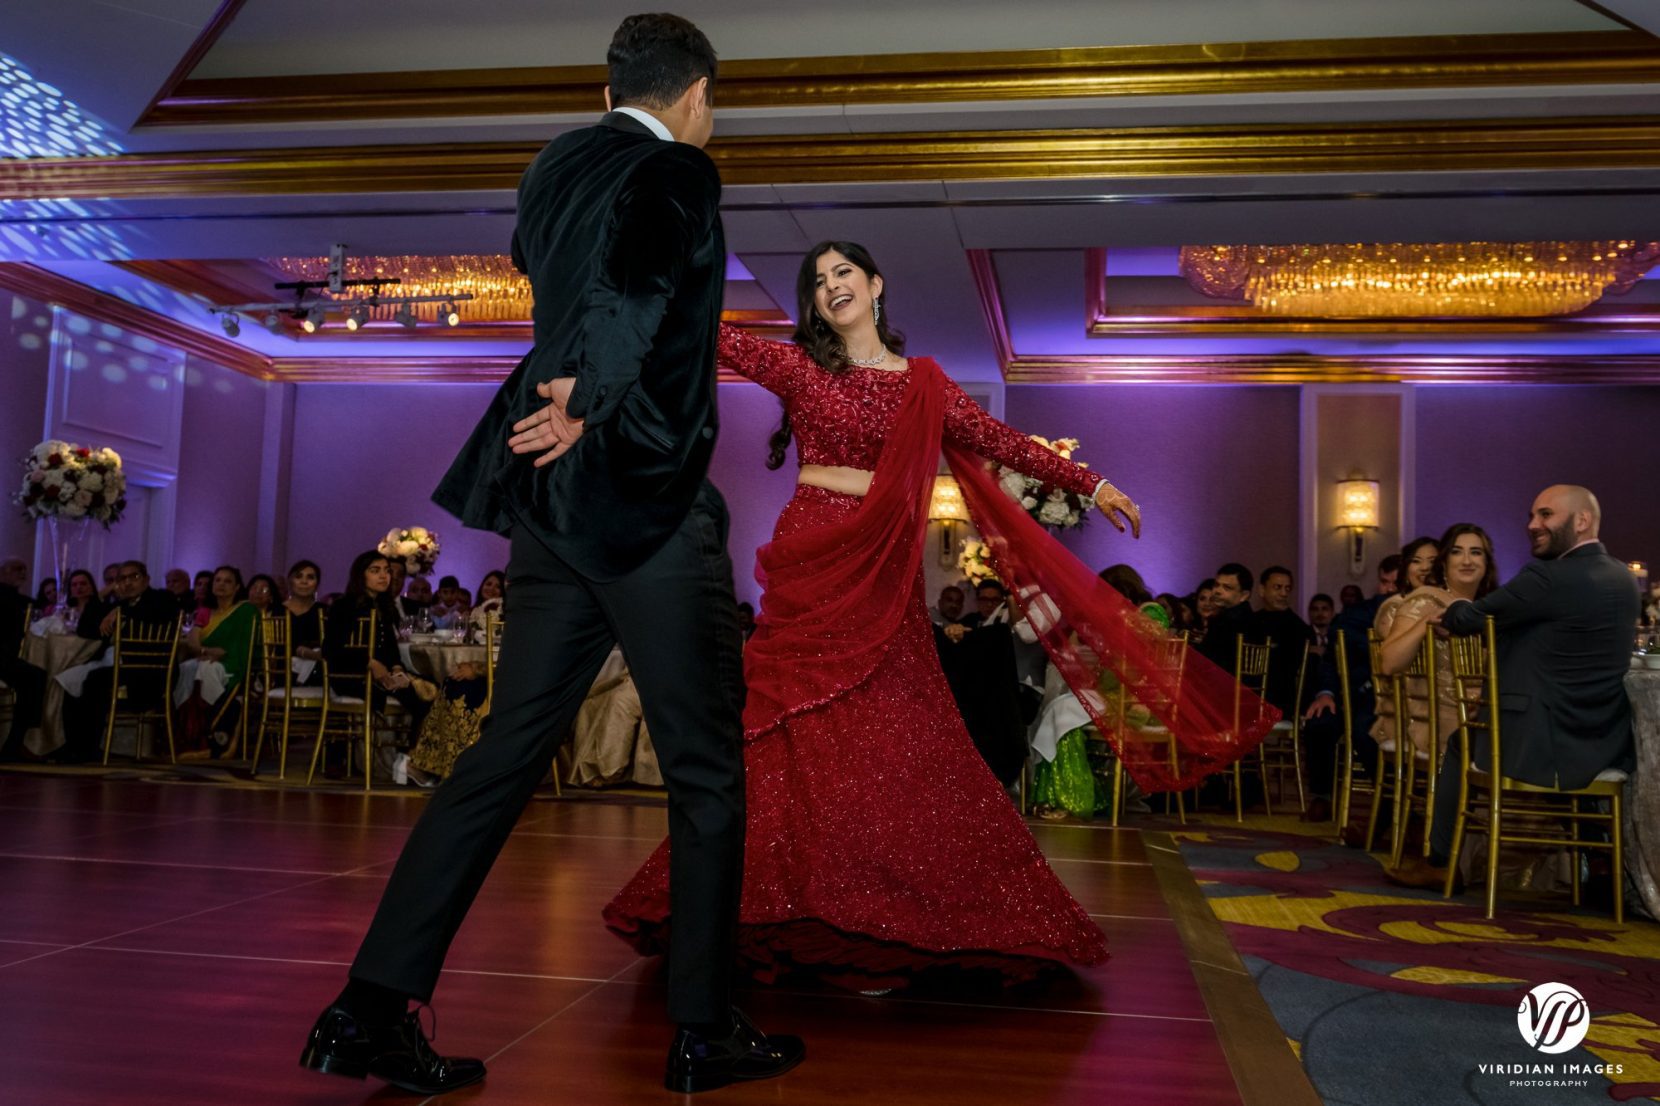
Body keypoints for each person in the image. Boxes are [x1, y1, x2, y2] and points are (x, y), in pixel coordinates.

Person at [303, 15, 801, 1098]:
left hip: (549, 505)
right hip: (642, 503)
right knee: (707, 770)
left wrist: (576, 374)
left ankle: (368, 1008)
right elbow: (634, 287)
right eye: (710, 105)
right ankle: (703, 1027)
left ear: (604, 84)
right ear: (698, 94)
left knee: (500, 755)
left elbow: (549, 265)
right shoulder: (677, 167)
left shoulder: (553, 165)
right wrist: (597, 390)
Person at [605, 238, 1268, 996]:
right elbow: (706, 331)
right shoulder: (797, 367)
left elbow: (1000, 441)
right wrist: (647, 272)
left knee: (892, 729)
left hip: (881, 565)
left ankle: (883, 908)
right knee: (789, 732)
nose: (831, 287)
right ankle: (766, 906)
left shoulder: (924, 383)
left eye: (844, 272)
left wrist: (1092, 483)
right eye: (818, 282)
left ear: (876, 283)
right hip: (814, 553)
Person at [1387, 486, 1639, 891]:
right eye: (1532, 516)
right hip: (1603, 738)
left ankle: (1438, 862)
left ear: (1581, 521)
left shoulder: (1546, 577)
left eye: (1545, 515)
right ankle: (1598, 860)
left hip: (1543, 738)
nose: (1532, 525)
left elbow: (1472, 618)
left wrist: (1448, 609)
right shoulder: (1623, 578)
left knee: (1460, 743)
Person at [1375, 524, 1498, 755]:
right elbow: (1389, 663)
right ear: (1443, 563)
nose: (1467, 560)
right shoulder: (1426, 600)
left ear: (1487, 564)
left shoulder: (1489, 609)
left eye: (1476, 552)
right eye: (1456, 551)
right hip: (1436, 722)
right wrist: (1426, 624)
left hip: (1479, 713)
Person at [60, 561, 177, 762]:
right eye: (122, 579)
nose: (128, 583)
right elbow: (86, 630)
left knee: (95, 680)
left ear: (147, 579)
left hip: (150, 672)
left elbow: (159, 612)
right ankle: (74, 746)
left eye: (134, 577)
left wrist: (121, 614)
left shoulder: (161, 598)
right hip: (122, 668)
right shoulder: (119, 605)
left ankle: (89, 748)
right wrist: (101, 595)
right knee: (70, 679)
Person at [182, 565, 260, 757]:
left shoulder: (246, 610)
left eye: (228, 581)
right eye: (217, 580)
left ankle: (216, 741)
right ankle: (191, 739)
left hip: (235, 665)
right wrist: (206, 650)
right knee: (187, 668)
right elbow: (193, 641)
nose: (221, 585)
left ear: (237, 587)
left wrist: (222, 655)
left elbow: (245, 646)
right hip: (207, 660)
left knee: (208, 669)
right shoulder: (206, 612)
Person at [0, 558, 47, 761]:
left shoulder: (19, 599)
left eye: (25, 570)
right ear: (3, 572)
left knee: (34, 676)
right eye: (17, 569)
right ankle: (15, 743)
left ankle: (16, 742)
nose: (23, 574)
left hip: (6, 657)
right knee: (34, 677)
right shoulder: (7, 596)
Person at [1196, 562, 1255, 670]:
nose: (1217, 591)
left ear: (1244, 595)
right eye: (1216, 585)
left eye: (1227, 588)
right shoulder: (1227, 617)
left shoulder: (1235, 622)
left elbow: (1210, 662)